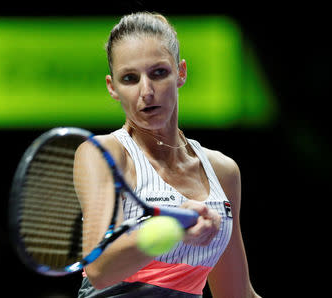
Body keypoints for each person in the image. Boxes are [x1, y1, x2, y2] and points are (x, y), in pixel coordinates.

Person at [75, 12, 261, 298]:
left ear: (181, 72)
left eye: (159, 73)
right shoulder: (105, 155)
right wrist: (170, 228)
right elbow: (100, 270)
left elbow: (235, 292)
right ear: (113, 87)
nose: (146, 91)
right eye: (130, 78)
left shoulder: (223, 172)